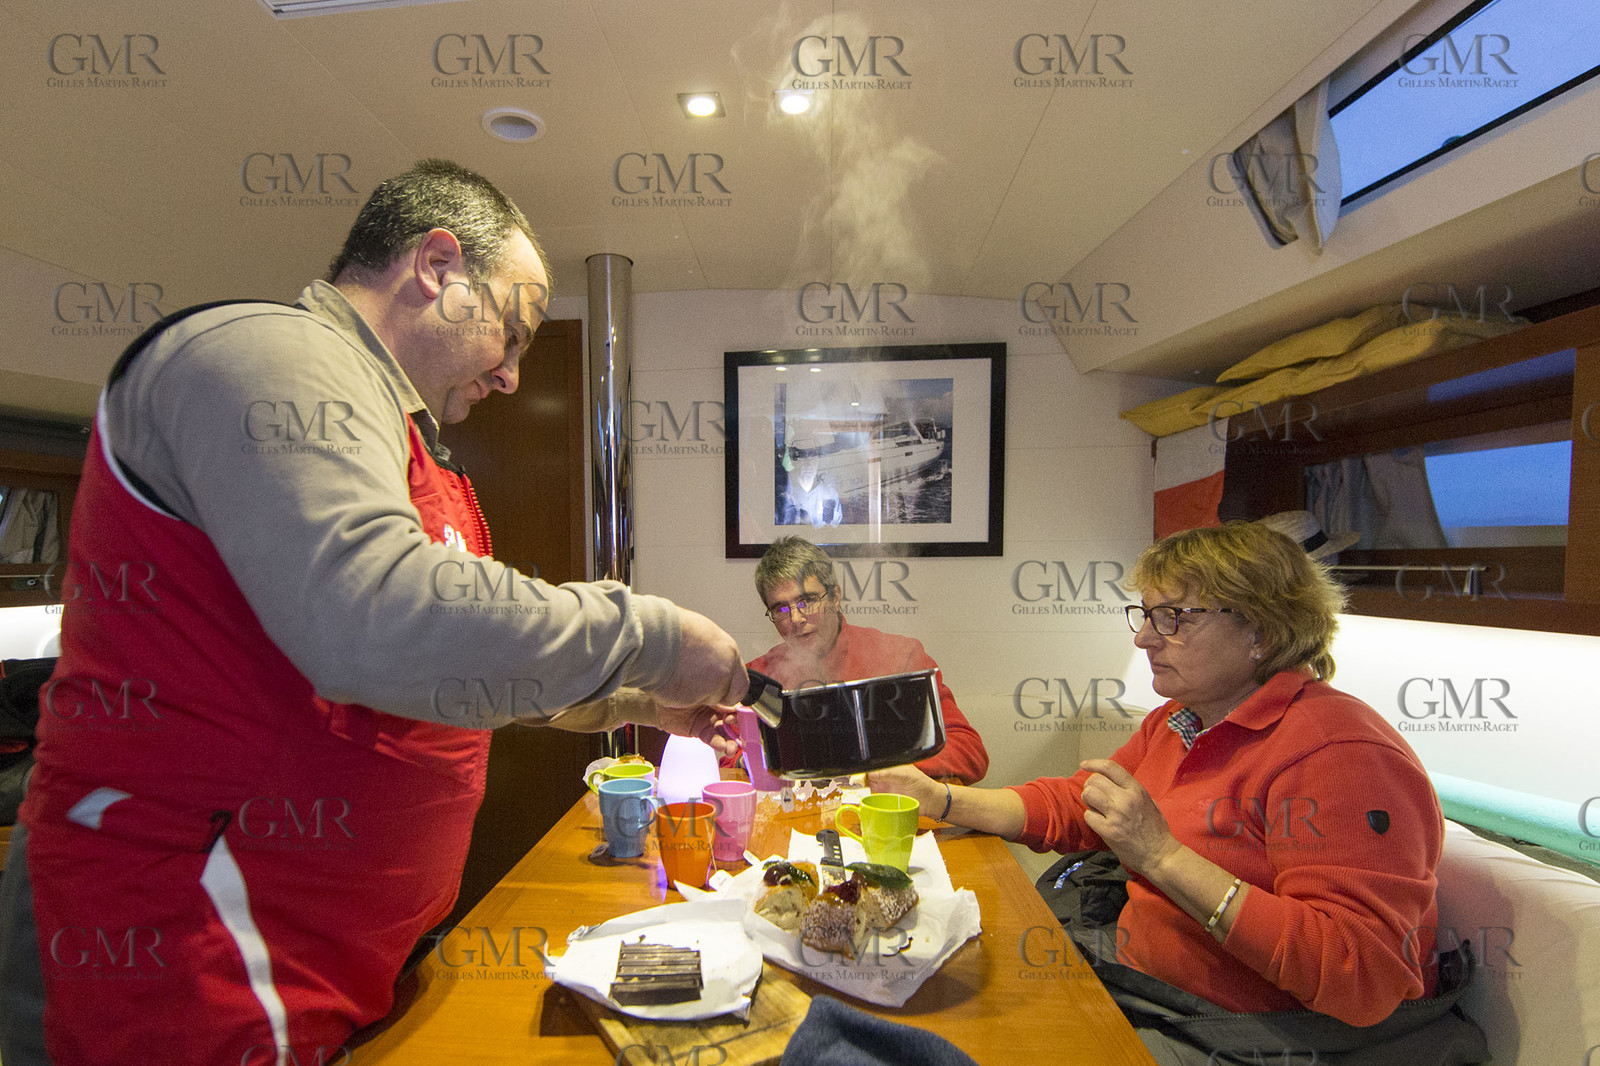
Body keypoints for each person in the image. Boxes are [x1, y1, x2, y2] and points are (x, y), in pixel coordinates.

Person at [0, 160, 748, 1066]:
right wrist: (655, 637)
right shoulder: (270, 357)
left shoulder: (408, 445)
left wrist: (632, 704)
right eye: (512, 333)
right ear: (436, 266)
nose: (513, 375)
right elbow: (373, 616)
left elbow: (447, 670)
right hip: (182, 957)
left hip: (333, 966)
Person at [869, 523, 1485, 1064]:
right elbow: (1080, 804)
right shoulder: (1182, 719)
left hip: (1247, 1035)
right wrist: (939, 799)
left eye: (1174, 618)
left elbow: (1361, 976)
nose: (1144, 639)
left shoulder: (1341, 755)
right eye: (1145, 615)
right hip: (1145, 986)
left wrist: (1161, 855)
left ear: (1261, 631)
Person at [738, 536, 987, 785]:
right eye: (781, 609)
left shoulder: (901, 656)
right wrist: (753, 758)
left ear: (835, 596)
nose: (796, 618)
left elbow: (969, 750)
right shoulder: (757, 678)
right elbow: (733, 758)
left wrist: (872, 766)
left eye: (808, 601)